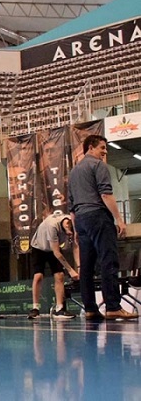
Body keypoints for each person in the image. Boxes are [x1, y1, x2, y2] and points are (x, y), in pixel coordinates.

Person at [67, 135, 138, 320]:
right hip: (98, 217)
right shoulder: (98, 166)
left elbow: (71, 205)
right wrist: (120, 220)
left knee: (87, 266)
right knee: (109, 261)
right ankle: (113, 306)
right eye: (102, 148)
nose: (105, 152)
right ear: (90, 147)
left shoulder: (74, 172)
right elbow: (106, 195)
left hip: (81, 220)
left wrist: (75, 229)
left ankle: (90, 308)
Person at [27, 214, 79, 320]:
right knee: (38, 276)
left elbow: (75, 246)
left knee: (59, 275)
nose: (69, 235)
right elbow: (56, 252)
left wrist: (79, 266)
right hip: (39, 247)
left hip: (52, 248)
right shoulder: (52, 226)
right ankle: (35, 308)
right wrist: (70, 270)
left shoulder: (73, 223)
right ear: (66, 224)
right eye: (68, 233)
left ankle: (59, 309)